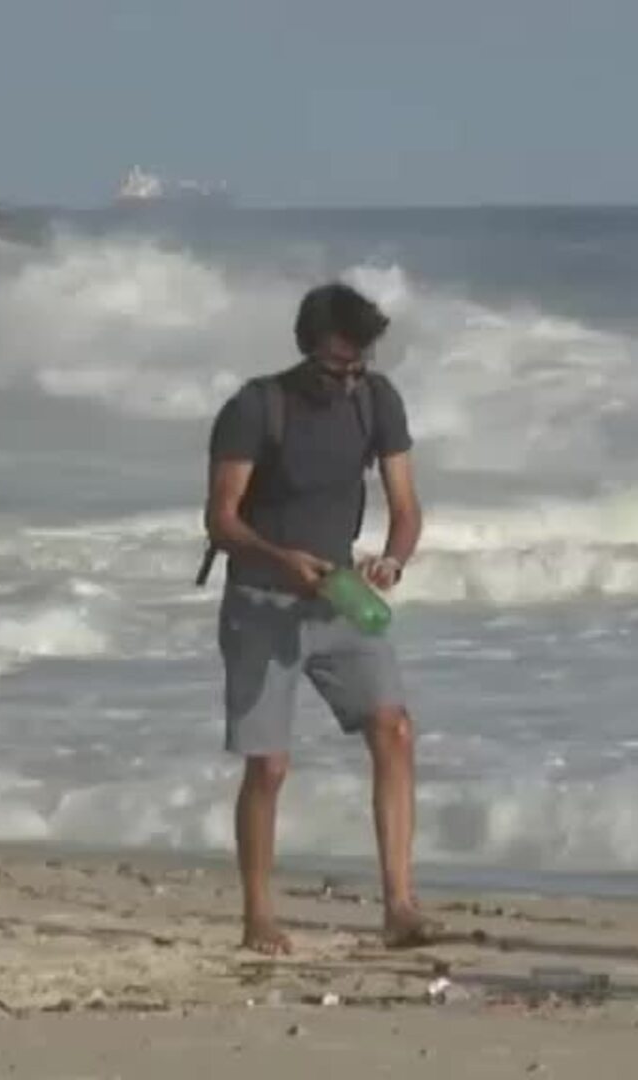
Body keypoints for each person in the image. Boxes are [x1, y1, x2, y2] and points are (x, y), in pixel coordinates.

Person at [203, 282, 431, 953]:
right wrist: (279, 559)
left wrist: (392, 560)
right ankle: (258, 916)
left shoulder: (377, 400)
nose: (348, 379)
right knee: (268, 766)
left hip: (338, 597)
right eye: (337, 368)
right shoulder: (255, 407)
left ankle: (400, 904)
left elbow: (407, 506)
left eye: (358, 364)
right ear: (308, 352)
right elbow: (220, 519)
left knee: (393, 729)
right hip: (261, 602)